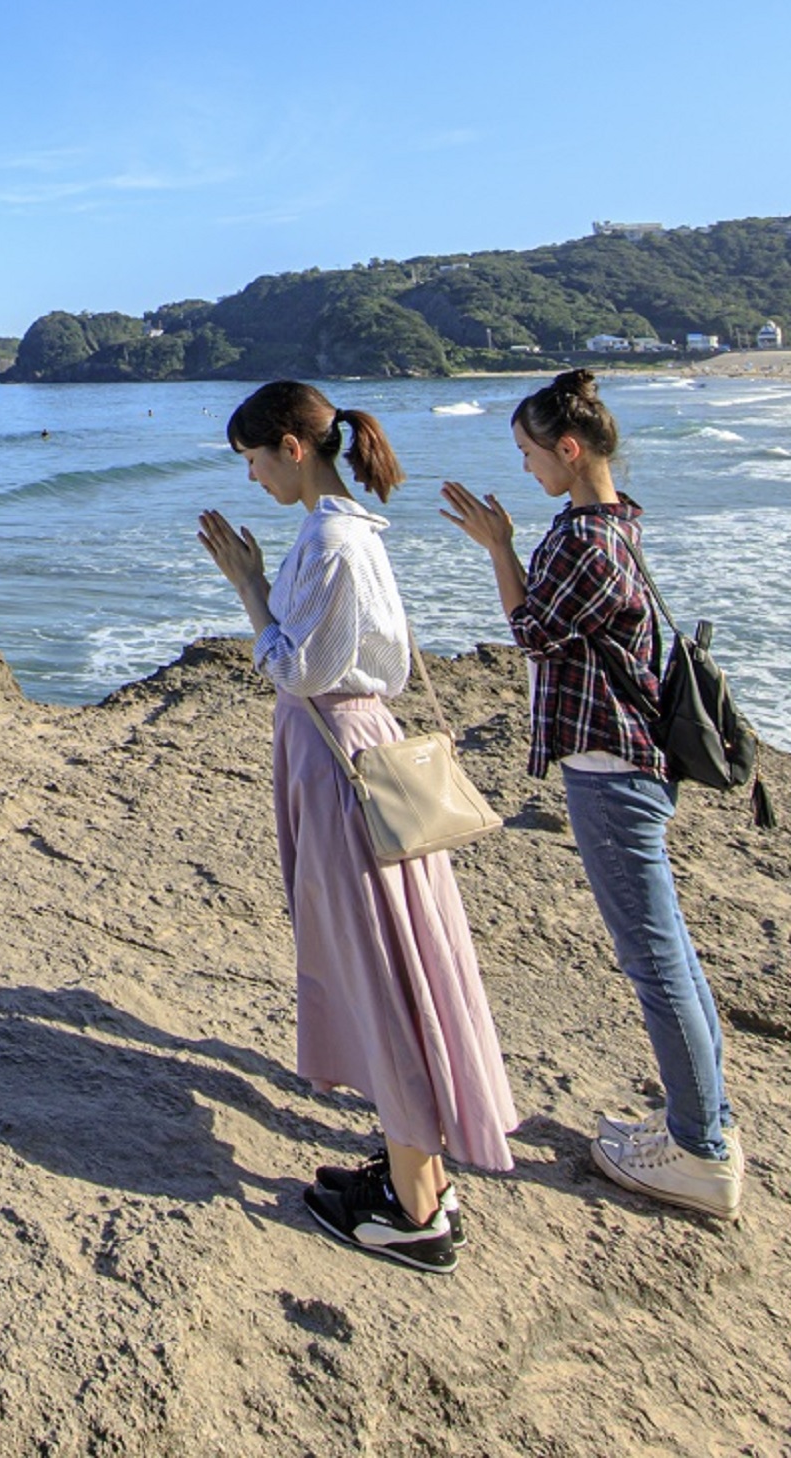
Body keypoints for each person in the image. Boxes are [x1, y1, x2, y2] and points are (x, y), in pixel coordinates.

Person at [198, 380, 519, 1274]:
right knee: (389, 956)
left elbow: (296, 668)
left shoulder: (332, 541)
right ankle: (413, 1169)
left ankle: (416, 1210)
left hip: (339, 761)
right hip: (342, 752)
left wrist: (250, 589)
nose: (254, 477)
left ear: (292, 449)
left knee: (380, 968)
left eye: (255, 459)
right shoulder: (345, 532)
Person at [437, 369, 747, 1222]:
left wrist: (499, 548)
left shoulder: (583, 540)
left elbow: (533, 635)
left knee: (655, 965)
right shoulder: (614, 522)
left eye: (531, 453)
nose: (527, 467)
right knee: (670, 955)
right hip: (629, 763)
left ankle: (701, 1152)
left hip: (613, 770)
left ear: (569, 451)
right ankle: (700, 1125)